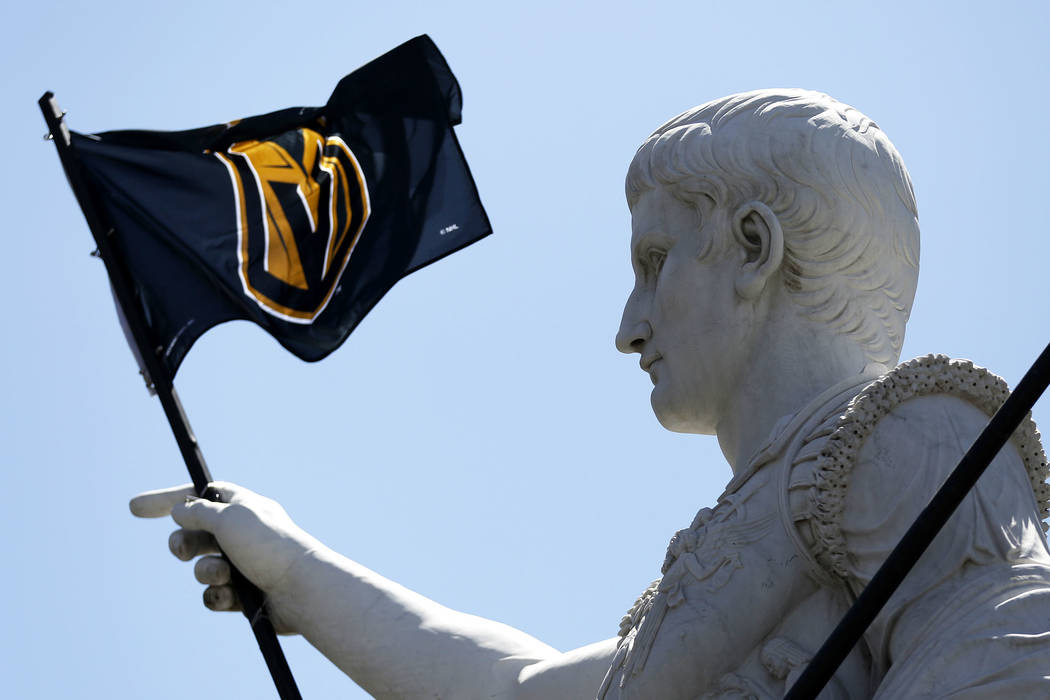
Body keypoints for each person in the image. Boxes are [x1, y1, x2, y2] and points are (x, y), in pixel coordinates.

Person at [132, 89, 1050, 698]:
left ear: (755, 251)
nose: (629, 326)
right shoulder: (715, 574)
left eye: (656, 265)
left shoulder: (917, 436)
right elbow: (515, 690)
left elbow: (1015, 654)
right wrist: (295, 573)